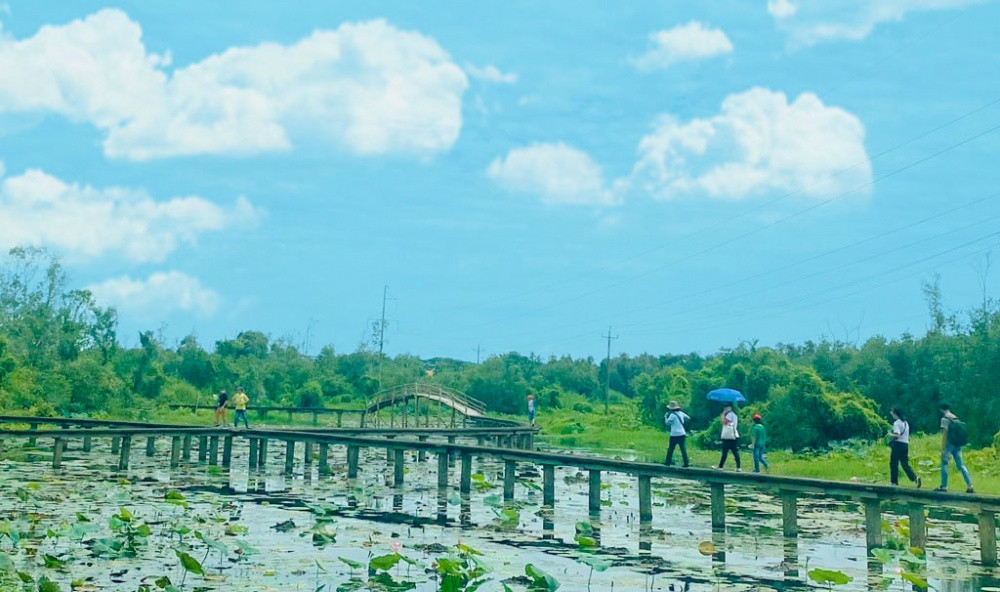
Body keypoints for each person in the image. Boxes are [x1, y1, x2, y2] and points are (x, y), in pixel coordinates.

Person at [935, 403, 973, 493]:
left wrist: (943, 448)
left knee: (944, 463)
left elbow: (945, 434)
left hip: (949, 444)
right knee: (961, 465)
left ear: (941, 409)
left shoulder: (944, 419)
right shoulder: (955, 417)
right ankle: (970, 485)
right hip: (957, 444)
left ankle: (944, 486)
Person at [888, 407, 920, 488]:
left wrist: (890, 435)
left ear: (895, 413)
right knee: (905, 464)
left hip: (898, 445)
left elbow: (897, 435)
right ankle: (915, 478)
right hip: (905, 445)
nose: (891, 414)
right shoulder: (905, 423)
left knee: (893, 463)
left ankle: (894, 482)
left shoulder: (897, 423)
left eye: (891, 412)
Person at [663, 401, 690, 467]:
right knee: (683, 449)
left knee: (671, 449)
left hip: (674, 434)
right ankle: (686, 463)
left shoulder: (672, 415)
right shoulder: (681, 413)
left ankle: (667, 462)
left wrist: (665, 417)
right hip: (682, 433)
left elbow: (667, 423)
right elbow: (688, 418)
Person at [718, 404, 741, 470]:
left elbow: (723, 422)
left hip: (728, 436)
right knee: (735, 451)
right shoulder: (734, 414)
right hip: (734, 435)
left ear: (730, 407)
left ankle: (720, 466)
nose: (725, 408)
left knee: (725, 452)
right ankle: (738, 467)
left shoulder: (730, 414)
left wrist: (723, 413)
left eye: (726, 407)